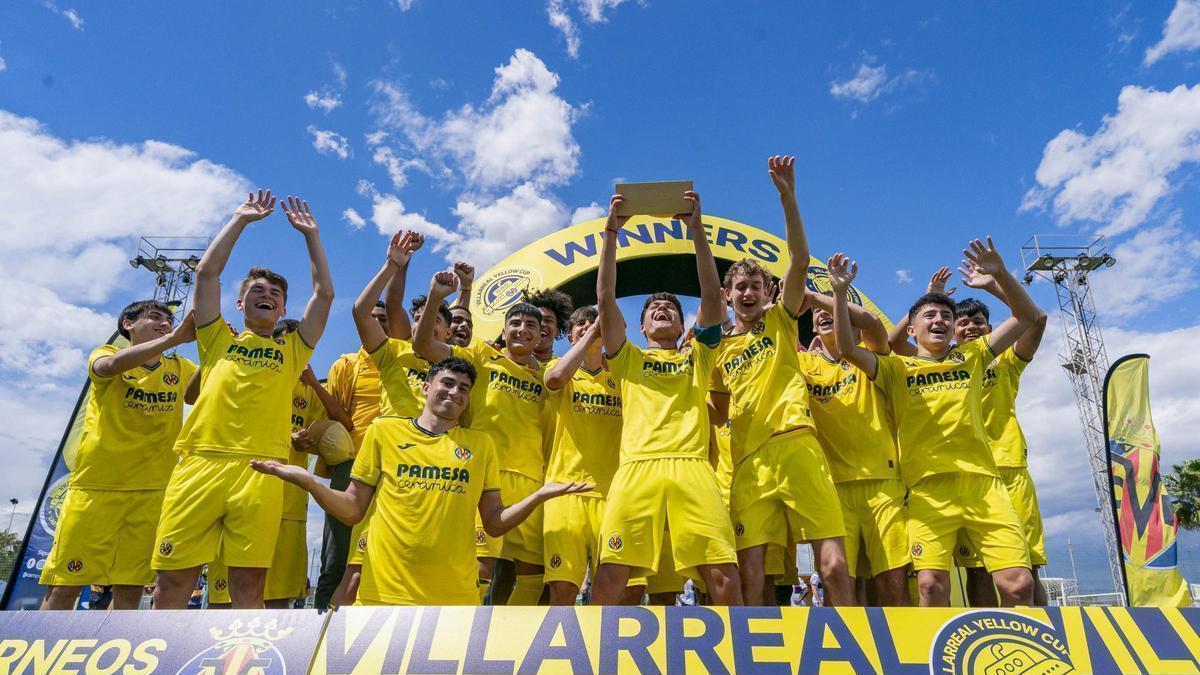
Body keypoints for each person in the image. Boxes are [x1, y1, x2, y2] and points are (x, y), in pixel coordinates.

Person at [250, 357, 591, 605]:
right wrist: (307, 480)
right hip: (384, 592)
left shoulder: (480, 444)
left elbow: (495, 523)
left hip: (453, 597)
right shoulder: (385, 431)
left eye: (464, 388)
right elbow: (353, 509)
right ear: (427, 387)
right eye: (447, 383)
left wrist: (541, 495)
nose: (455, 392)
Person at [827, 241, 1039, 607]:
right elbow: (847, 348)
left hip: (984, 487)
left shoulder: (973, 356)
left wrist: (1001, 275)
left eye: (946, 316)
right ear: (912, 330)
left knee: (1019, 585)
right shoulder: (895, 368)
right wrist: (839, 292)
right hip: (927, 491)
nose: (940, 320)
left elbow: (1029, 318)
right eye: (930, 315)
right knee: (930, 588)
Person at [151, 191, 334, 609]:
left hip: (262, 468)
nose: (264, 293)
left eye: (273, 291)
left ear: (283, 306)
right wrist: (240, 221)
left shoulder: (293, 351)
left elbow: (323, 296)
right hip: (201, 462)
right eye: (256, 289)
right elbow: (206, 276)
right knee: (171, 584)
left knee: (250, 588)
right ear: (240, 303)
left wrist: (312, 237)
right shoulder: (216, 339)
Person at [708, 156, 851, 606]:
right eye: (740, 287)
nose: (748, 293)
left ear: (769, 294)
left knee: (831, 567)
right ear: (727, 296)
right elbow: (716, 410)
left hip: (796, 447)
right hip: (748, 463)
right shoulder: (714, 351)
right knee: (751, 577)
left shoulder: (781, 324)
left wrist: (788, 197)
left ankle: (857, 655)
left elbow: (801, 258)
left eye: (756, 286)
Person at [589, 190, 742, 606]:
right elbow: (604, 299)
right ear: (639, 328)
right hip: (637, 469)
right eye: (653, 308)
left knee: (724, 575)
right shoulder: (627, 358)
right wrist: (610, 235)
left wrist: (697, 230)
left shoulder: (699, 354)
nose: (661, 309)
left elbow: (713, 296)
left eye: (670, 308)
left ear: (682, 325)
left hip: (692, 468)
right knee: (610, 577)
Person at [39, 301, 198, 610]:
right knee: (65, 587)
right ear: (128, 323)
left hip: (151, 491)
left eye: (169, 319)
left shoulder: (179, 368)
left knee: (130, 589)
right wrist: (175, 337)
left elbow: (200, 391)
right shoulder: (106, 354)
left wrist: (214, 342)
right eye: (155, 317)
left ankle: (116, 656)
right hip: (97, 488)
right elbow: (108, 369)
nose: (165, 323)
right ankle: (41, 657)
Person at [413, 272, 550, 606]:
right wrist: (435, 296)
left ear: (540, 336)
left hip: (533, 480)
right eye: (515, 323)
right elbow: (424, 346)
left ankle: (510, 642)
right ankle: (464, 642)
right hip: (484, 474)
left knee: (533, 573)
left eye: (531, 326)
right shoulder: (481, 357)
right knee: (479, 566)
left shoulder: (550, 376)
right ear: (503, 331)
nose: (522, 329)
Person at [332, 231, 451, 606]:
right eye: (418, 319)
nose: (425, 324)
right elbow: (363, 311)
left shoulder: (459, 369)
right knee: (356, 573)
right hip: (386, 468)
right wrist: (394, 266)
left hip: (435, 472)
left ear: (448, 332)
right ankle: (327, 654)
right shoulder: (394, 352)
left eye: (435, 322)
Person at [208, 321, 350, 609]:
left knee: (278, 599)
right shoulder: (248, 371)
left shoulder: (308, 387)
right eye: (285, 343)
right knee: (226, 598)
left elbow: (344, 422)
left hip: (289, 503)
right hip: (242, 493)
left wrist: (310, 422)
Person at [797, 294, 911, 605]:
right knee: (838, 583)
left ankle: (899, 651)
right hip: (832, 489)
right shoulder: (804, 364)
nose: (823, 315)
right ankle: (845, 651)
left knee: (892, 583)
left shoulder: (870, 356)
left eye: (832, 312)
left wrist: (820, 297)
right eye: (816, 314)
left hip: (883, 484)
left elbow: (874, 323)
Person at [949, 268, 1050, 607]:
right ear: (951, 331)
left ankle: (1045, 636)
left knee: (1028, 567)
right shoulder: (941, 366)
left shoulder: (1006, 359)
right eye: (962, 323)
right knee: (976, 571)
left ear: (991, 329)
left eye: (978, 321)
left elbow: (1036, 319)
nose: (970, 327)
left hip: (1010, 471)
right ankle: (987, 636)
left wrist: (995, 285)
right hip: (966, 476)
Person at [541, 306, 622, 605]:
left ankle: (605, 651)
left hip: (613, 493)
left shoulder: (621, 374)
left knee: (617, 589)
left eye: (594, 322)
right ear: (572, 335)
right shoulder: (558, 367)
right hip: (566, 491)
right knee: (563, 589)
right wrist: (591, 334)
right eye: (581, 324)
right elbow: (556, 379)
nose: (590, 326)